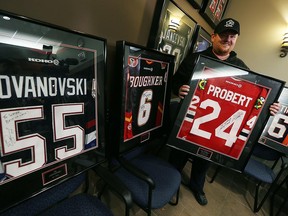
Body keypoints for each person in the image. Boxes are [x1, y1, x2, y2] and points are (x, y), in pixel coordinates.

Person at [169, 18, 280, 206]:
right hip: (187, 122)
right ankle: (170, 181)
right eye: (223, 35)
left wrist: (269, 107)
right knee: (177, 158)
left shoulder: (242, 68)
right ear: (213, 37)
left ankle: (197, 186)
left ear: (236, 39)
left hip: (214, 129)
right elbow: (175, 82)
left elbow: (252, 100)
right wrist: (179, 88)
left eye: (232, 36)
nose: (227, 39)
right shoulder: (195, 58)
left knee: (203, 161)